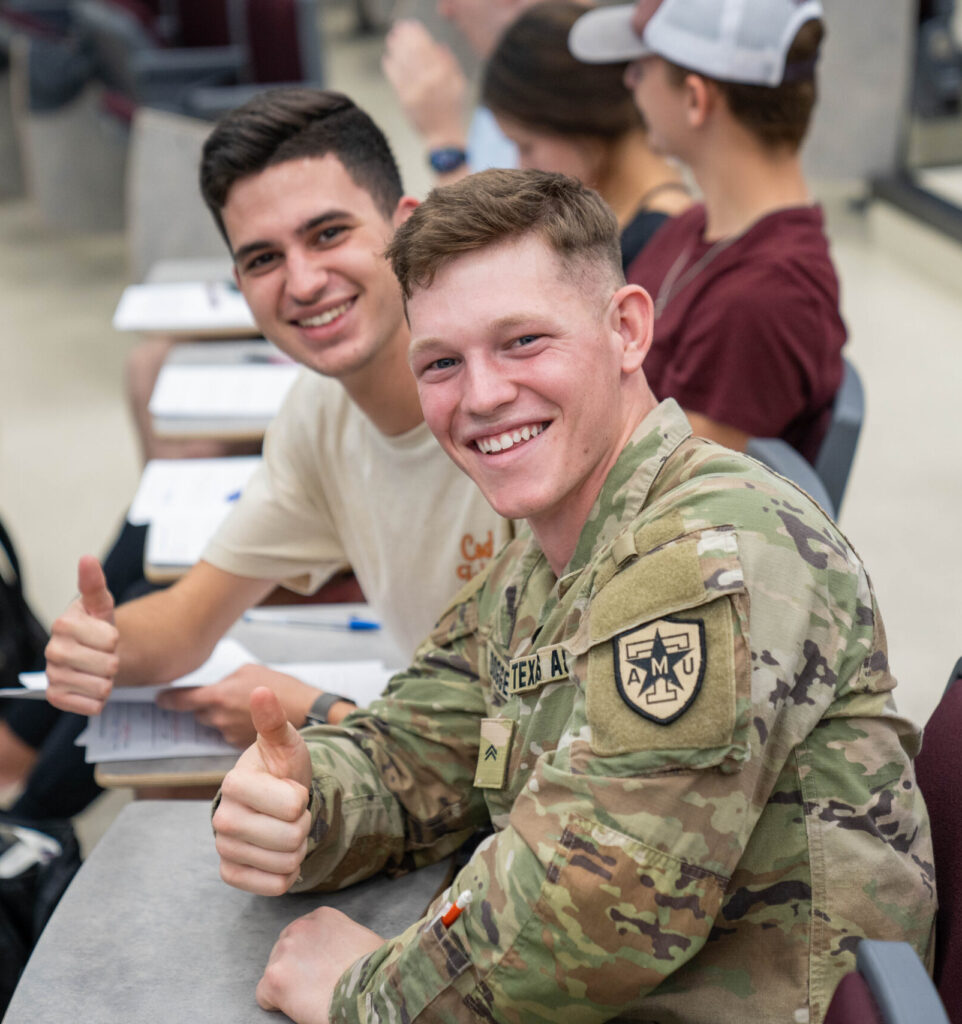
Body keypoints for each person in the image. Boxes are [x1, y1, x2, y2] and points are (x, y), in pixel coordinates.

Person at [212, 169, 934, 1024]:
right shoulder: (544, 559)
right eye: (442, 362)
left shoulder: (705, 554)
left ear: (627, 329)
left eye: (522, 342)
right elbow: (420, 748)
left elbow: (599, 907)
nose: (481, 396)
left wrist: (359, 996)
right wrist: (302, 800)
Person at [39, 89, 508, 756]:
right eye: (263, 259)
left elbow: (540, 743)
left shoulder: (509, 411)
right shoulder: (318, 414)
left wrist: (326, 712)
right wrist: (99, 644)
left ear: (406, 228)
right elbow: (187, 620)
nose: (304, 281)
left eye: (328, 234)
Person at [570, 0, 845, 462]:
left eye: (641, 69)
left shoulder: (763, 299)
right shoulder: (699, 226)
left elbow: (673, 494)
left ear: (696, 98)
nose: (628, 82)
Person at [481, 0, 690, 269]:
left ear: (573, 119)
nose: (521, 167)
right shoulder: (634, 236)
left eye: (526, 146)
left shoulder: (657, 249)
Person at [382, 0, 588, 184]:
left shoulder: (579, 90)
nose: (445, 10)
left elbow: (539, 221)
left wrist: (445, 144)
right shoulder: (506, 84)